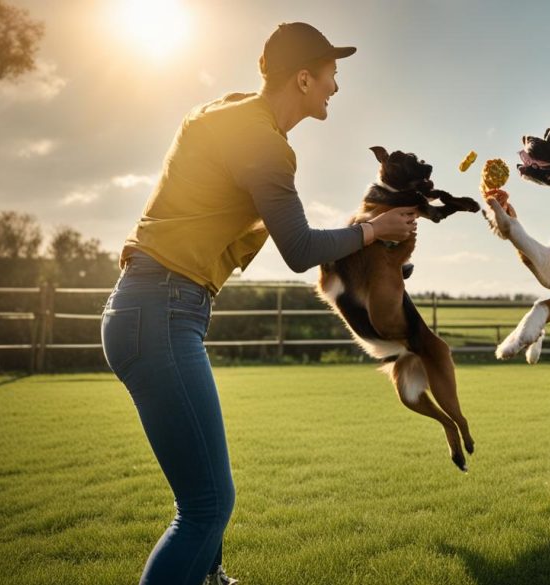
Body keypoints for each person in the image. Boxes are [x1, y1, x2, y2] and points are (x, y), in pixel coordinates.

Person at [100, 22, 417, 585]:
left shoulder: (227, 114)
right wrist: (371, 231)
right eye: (330, 75)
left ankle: (211, 577)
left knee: (206, 505)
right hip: (162, 311)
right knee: (206, 508)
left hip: (151, 308)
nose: (335, 87)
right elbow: (298, 250)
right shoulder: (264, 145)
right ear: (303, 78)